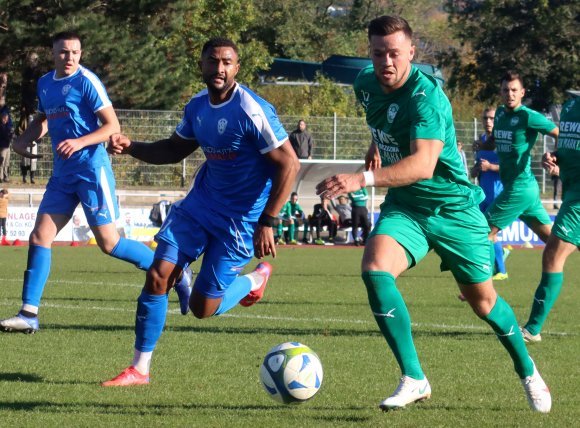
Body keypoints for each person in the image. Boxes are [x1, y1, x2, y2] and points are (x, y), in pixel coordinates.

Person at [316, 15, 551, 413]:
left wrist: (362, 178)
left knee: (484, 303)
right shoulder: (365, 85)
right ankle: (414, 377)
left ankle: (528, 370)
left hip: (454, 210)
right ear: (369, 53)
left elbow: (424, 165)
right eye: (377, 53)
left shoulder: (427, 98)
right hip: (407, 207)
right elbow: (384, 127)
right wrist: (376, 147)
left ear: (411, 51)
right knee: (375, 269)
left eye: (394, 53)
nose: (386, 61)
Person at [101, 37, 299, 386]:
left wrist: (269, 220)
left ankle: (255, 279)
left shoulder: (252, 109)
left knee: (202, 308)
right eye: (213, 61)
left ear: (237, 67)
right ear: (202, 65)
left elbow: (289, 163)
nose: (219, 68)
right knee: (159, 273)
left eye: (227, 62)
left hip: (241, 220)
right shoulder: (196, 107)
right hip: (200, 206)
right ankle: (139, 368)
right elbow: (174, 149)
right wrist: (132, 147)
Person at [0, 31, 193, 335]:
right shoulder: (46, 84)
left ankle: (177, 272)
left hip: (91, 170)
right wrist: (23, 140)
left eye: (75, 52)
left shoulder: (87, 82)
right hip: (63, 175)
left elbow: (112, 125)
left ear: (81, 54)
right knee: (39, 237)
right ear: (53, 53)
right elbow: (45, 119)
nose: (70, 58)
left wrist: (78, 142)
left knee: (110, 244)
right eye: (64, 52)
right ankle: (29, 313)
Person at [521, 96, 579, 343]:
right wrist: (556, 158)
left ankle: (533, 329)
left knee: (553, 254)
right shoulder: (570, 105)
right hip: (571, 189)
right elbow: (570, 146)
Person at [485, 71, 559, 250]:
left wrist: (554, 155)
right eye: (505, 90)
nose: (509, 94)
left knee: (483, 231)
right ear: (501, 92)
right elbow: (495, 140)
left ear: (522, 93)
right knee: (554, 244)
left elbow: (559, 134)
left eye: (514, 90)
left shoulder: (528, 116)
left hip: (520, 188)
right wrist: (482, 145)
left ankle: (484, 277)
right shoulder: (501, 113)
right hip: (524, 188)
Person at [472, 108, 509, 281]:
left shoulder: (502, 141)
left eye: (492, 118)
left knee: (488, 233)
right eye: (485, 118)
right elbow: (477, 169)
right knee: (483, 233)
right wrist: (475, 170)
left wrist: (491, 167)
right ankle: (499, 256)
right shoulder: (481, 141)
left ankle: (500, 270)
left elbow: (510, 168)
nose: (488, 121)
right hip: (482, 195)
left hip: (498, 194)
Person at [0, 109, 13, 182]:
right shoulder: (1, 126)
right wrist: (9, 134)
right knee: (1, 162)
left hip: (7, 146)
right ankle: (1, 177)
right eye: (5, 118)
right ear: (2, 118)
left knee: (6, 163)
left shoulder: (7, 126)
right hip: (2, 146)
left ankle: (6, 177)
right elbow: (4, 135)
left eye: (7, 118)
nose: (6, 120)